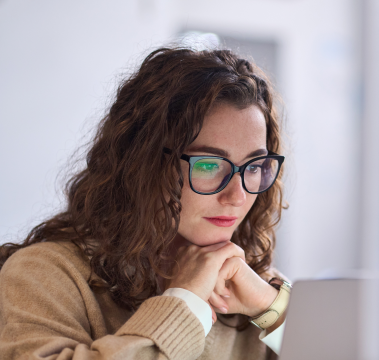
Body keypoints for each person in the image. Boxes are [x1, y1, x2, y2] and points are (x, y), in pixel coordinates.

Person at [0, 46, 290, 359]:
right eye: (208, 165)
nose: (238, 196)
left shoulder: (253, 284)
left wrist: (275, 310)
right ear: (143, 164)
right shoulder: (42, 276)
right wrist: (185, 302)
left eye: (254, 167)